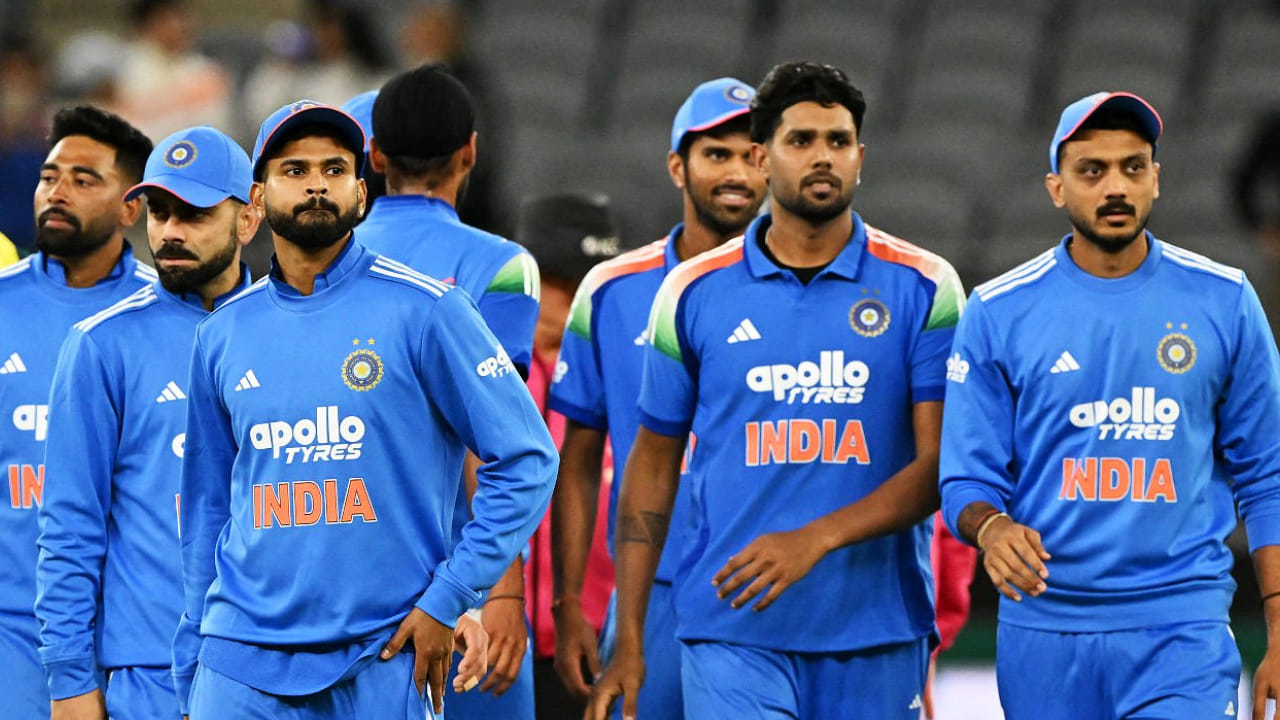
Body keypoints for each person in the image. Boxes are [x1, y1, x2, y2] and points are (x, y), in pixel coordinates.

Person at [588, 61, 966, 720]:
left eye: (838, 141)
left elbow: (941, 466)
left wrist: (814, 538)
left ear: (860, 157)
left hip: (876, 628)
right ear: (763, 158)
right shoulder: (689, 291)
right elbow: (651, 464)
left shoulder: (927, 286)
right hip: (732, 630)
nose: (822, 157)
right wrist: (630, 635)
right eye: (801, 140)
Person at [174, 100, 554, 718]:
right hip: (239, 663)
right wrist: (192, 658)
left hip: (384, 656)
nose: (316, 185)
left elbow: (528, 460)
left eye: (335, 169)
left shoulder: (429, 310)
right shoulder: (220, 334)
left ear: (361, 190)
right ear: (257, 198)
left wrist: (450, 597)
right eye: (294, 170)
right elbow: (207, 509)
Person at [939, 91, 1280, 720]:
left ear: (1156, 179)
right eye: (1092, 170)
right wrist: (991, 528)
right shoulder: (998, 310)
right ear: (1056, 188)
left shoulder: (1225, 300)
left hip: (1181, 630)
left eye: (1133, 167)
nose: (1116, 186)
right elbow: (965, 478)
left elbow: (1269, 477)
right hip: (1043, 631)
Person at [550, 76, 765, 720]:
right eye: (716, 154)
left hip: (771, 589)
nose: (737, 172)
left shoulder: (810, 291)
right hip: (653, 592)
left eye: (752, 155)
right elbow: (578, 462)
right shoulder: (610, 290)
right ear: (678, 166)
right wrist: (569, 605)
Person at [34, 125, 257, 720]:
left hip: (271, 669)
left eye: (194, 214)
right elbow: (69, 524)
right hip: (149, 676)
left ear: (248, 218)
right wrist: (69, 680)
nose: (170, 232)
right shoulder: (100, 344)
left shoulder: (287, 332)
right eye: (159, 212)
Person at [352, 65, 543, 718]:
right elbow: (492, 441)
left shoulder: (324, 263)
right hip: (460, 588)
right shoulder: (504, 267)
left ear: (375, 155)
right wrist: (504, 593)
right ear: (471, 152)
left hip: (347, 576)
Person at [0, 105, 154, 720]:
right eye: (49, 176)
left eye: (84, 180)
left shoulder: (171, 316)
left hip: (139, 641)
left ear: (131, 207)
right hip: (12, 631)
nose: (57, 192)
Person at [515, 192, 623, 719]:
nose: (582, 298)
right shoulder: (487, 367)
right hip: (494, 641)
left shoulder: (624, 370)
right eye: (566, 281)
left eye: (592, 284)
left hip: (599, 640)